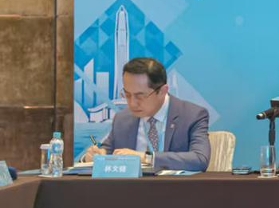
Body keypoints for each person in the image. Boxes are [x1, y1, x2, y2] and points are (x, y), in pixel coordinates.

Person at [83, 57, 211, 171]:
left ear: (162, 91)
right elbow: (105, 151)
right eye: (127, 95)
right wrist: (93, 156)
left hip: (175, 188)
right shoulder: (122, 119)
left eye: (140, 96)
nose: (132, 103)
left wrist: (147, 158)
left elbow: (199, 159)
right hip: (131, 189)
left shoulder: (192, 115)